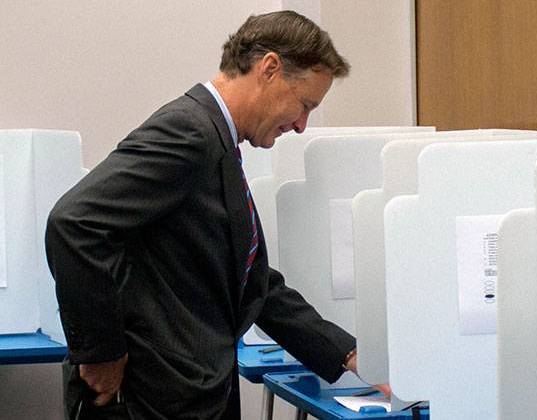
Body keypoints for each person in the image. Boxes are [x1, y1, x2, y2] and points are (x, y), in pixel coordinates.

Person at [46, 10, 378, 420]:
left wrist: (347, 353)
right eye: (304, 104)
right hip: (149, 399)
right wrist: (100, 354)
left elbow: (254, 282)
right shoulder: (189, 132)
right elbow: (74, 224)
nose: (301, 125)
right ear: (269, 68)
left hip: (188, 395)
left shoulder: (217, 140)